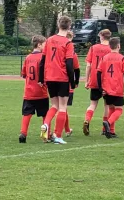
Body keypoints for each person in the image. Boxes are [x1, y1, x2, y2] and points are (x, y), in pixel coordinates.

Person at [39, 15, 75, 145]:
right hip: (62, 77)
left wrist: (41, 78)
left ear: (58, 25)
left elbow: (42, 61)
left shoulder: (49, 40)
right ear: (69, 26)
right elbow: (70, 64)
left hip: (50, 77)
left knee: (54, 105)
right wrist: (72, 81)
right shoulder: (68, 43)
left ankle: (46, 125)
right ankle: (58, 135)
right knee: (63, 107)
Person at [98, 37, 124, 138]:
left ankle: (111, 131)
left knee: (111, 108)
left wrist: (100, 88)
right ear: (118, 46)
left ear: (109, 46)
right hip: (117, 88)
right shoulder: (122, 58)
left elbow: (98, 72)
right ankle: (108, 122)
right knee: (119, 110)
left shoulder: (104, 58)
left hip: (106, 88)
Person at [19, 35, 48, 143]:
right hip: (41, 91)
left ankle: (23, 133)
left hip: (29, 91)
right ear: (39, 44)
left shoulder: (28, 57)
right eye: (44, 44)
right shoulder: (43, 57)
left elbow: (24, 74)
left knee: (27, 114)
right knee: (45, 114)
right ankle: (46, 134)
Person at [82, 29, 112, 136]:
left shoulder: (94, 48)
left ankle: (87, 119)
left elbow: (88, 65)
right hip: (107, 80)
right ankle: (104, 128)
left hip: (95, 79)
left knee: (93, 104)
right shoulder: (111, 49)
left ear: (101, 37)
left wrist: (87, 80)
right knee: (107, 105)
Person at [64, 31, 81, 137]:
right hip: (67, 84)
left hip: (55, 81)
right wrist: (76, 81)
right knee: (62, 107)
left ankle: (66, 129)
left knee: (61, 107)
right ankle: (57, 130)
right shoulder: (72, 53)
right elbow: (76, 69)